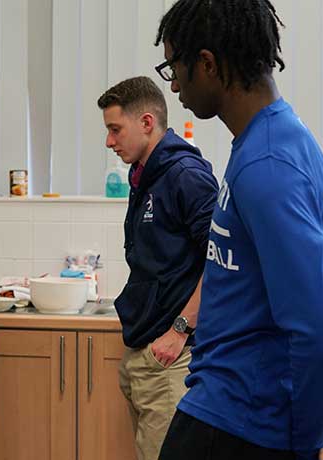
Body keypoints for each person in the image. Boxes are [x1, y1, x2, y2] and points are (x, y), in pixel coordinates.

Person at [154, 1, 323, 459]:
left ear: (207, 64)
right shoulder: (269, 142)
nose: (175, 85)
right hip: (227, 407)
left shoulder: (268, 164)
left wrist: (306, 442)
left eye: (174, 68)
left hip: (244, 423)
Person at [96, 76, 217, 460]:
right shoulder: (144, 176)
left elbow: (223, 263)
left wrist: (180, 330)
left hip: (173, 356)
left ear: (147, 122)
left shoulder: (186, 176)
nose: (109, 142)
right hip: (146, 351)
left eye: (116, 130)